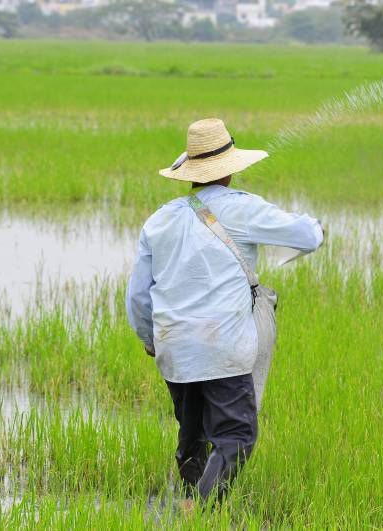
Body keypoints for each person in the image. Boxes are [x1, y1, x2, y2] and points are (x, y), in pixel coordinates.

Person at [126, 118, 324, 507]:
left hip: (174, 348)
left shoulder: (160, 219)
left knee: (194, 434)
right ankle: (196, 513)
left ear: (190, 173)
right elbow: (306, 236)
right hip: (223, 348)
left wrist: (150, 339)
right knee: (236, 437)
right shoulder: (243, 209)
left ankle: (186, 500)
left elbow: (137, 297)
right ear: (230, 170)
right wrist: (316, 227)